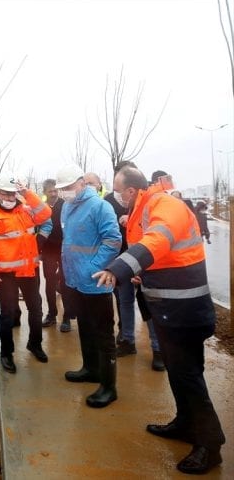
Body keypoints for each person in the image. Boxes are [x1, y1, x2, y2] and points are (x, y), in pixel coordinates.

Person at [94, 167, 225, 475]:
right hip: (169, 309)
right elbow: (163, 255)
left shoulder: (165, 205)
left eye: (116, 189)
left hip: (185, 312)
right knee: (179, 375)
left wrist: (119, 268)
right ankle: (184, 423)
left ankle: (210, 445)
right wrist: (144, 274)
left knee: (190, 378)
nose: (114, 194)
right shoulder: (144, 208)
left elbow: (158, 240)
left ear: (131, 191)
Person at [56, 164, 122, 408]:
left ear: (81, 182)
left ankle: (108, 386)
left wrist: (93, 267)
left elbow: (113, 240)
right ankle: (90, 369)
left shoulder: (99, 206)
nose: (65, 192)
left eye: (69, 187)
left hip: (96, 283)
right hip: (75, 280)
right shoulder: (68, 206)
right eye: (61, 189)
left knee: (103, 334)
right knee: (84, 327)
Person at [0, 173, 52, 373]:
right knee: (7, 314)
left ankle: (35, 344)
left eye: (13, 194)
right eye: (6, 194)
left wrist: (27, 192)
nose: (10, 198)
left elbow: (45, 214)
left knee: (36, 309)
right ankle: (6, 354)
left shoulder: (25, 210)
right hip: (5, 274)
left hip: (29, 270)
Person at [104, 162, 164, 372]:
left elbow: (155, 237)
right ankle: (128, 341)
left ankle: (158, 350)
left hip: (146, 263)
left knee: (149, 306)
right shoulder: (111, 200)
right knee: (125, 302)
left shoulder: (150, 202)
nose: (118, 194)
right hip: (123, 261)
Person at [37, 179, 75, 332]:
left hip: (64, 249)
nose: (53, 193)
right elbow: (37, 228)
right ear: (45, 192)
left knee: (65, 282)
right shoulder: (42, 207)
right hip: (47, 250)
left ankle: (67, 317)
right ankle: (52, 314)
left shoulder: (65, 205)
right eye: (50, 191)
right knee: (50, 282)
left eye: (55, 191)